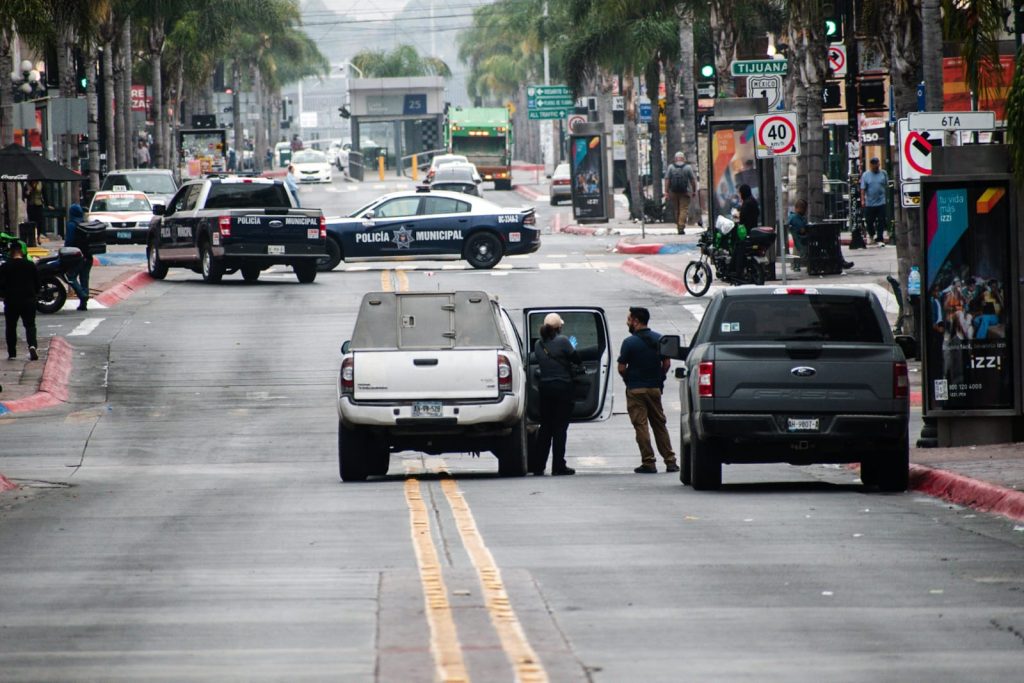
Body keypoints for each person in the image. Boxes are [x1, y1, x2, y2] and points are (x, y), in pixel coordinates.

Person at [618, 307, 677, 474]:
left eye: (629, 319)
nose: (627, 322)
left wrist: (629, 379)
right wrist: (658, 378)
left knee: (641, 426)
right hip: (654, 389)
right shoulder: (659, 339)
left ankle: (648, 462)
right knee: (659, 425)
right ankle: (670, 461)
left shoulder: (629, 343)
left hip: (636, 390)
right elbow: (666, 364)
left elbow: (621, 368)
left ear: (636, 321)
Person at [532, 313, 579, 476]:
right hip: (563, 388)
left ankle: (538, 466)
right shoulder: (563, 341)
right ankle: (558, 465)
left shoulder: (538, 344)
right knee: (560, 428)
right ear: (559, 327)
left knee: (545, 428)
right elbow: (577, 359)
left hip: (545, 389)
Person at [0, 240, 41, 360]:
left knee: (11, 326)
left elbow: (1, 284)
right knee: (30, 325)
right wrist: (35, 294)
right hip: (28, 300)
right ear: (22, 252)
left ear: (11, 252)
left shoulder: (5, 266)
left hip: (12, 301)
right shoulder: (30, 265)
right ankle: (32, 345)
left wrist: (3, 295)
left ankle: (12, 352)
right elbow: (38, 283)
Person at [64, 203, 91, 311]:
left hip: (77, 256)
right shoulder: (85, 223)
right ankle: (83, 303)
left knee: (71, 276)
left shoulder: (72, 224)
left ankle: (82, 295)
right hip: (88, 256)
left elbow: (69, 241)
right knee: (84, 279)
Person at [664, 151, 698, 234]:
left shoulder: (671, 167)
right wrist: (694, 190)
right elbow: (692, 180)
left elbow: (667, 180)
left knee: (676, 209)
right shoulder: (688, 168)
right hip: (685, 192)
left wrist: (666, 191)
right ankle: (681, 226)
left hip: (674, 192)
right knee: (683, 209)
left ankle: (678, 225)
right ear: (683, 158)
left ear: (675, 159)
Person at [860, 157, 888, 245]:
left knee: (881, 220)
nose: (876, 166)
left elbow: (886, 185)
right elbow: (863, 189)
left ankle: (880, 238)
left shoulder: (883, 173)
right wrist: (863, 200)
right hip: (870, 202)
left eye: (877, 164)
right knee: (869, 221)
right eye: (874, 164)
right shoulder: (866, 175)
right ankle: (872, 235)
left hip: (881, 201)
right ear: (871, 165)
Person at [787, 198, 810, 272]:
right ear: (797, 208)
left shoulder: (794, 217)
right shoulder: (795, 218)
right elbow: (802, 230)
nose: (804, 210)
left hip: (800, 239)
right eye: (803, 208)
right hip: (801, 240)